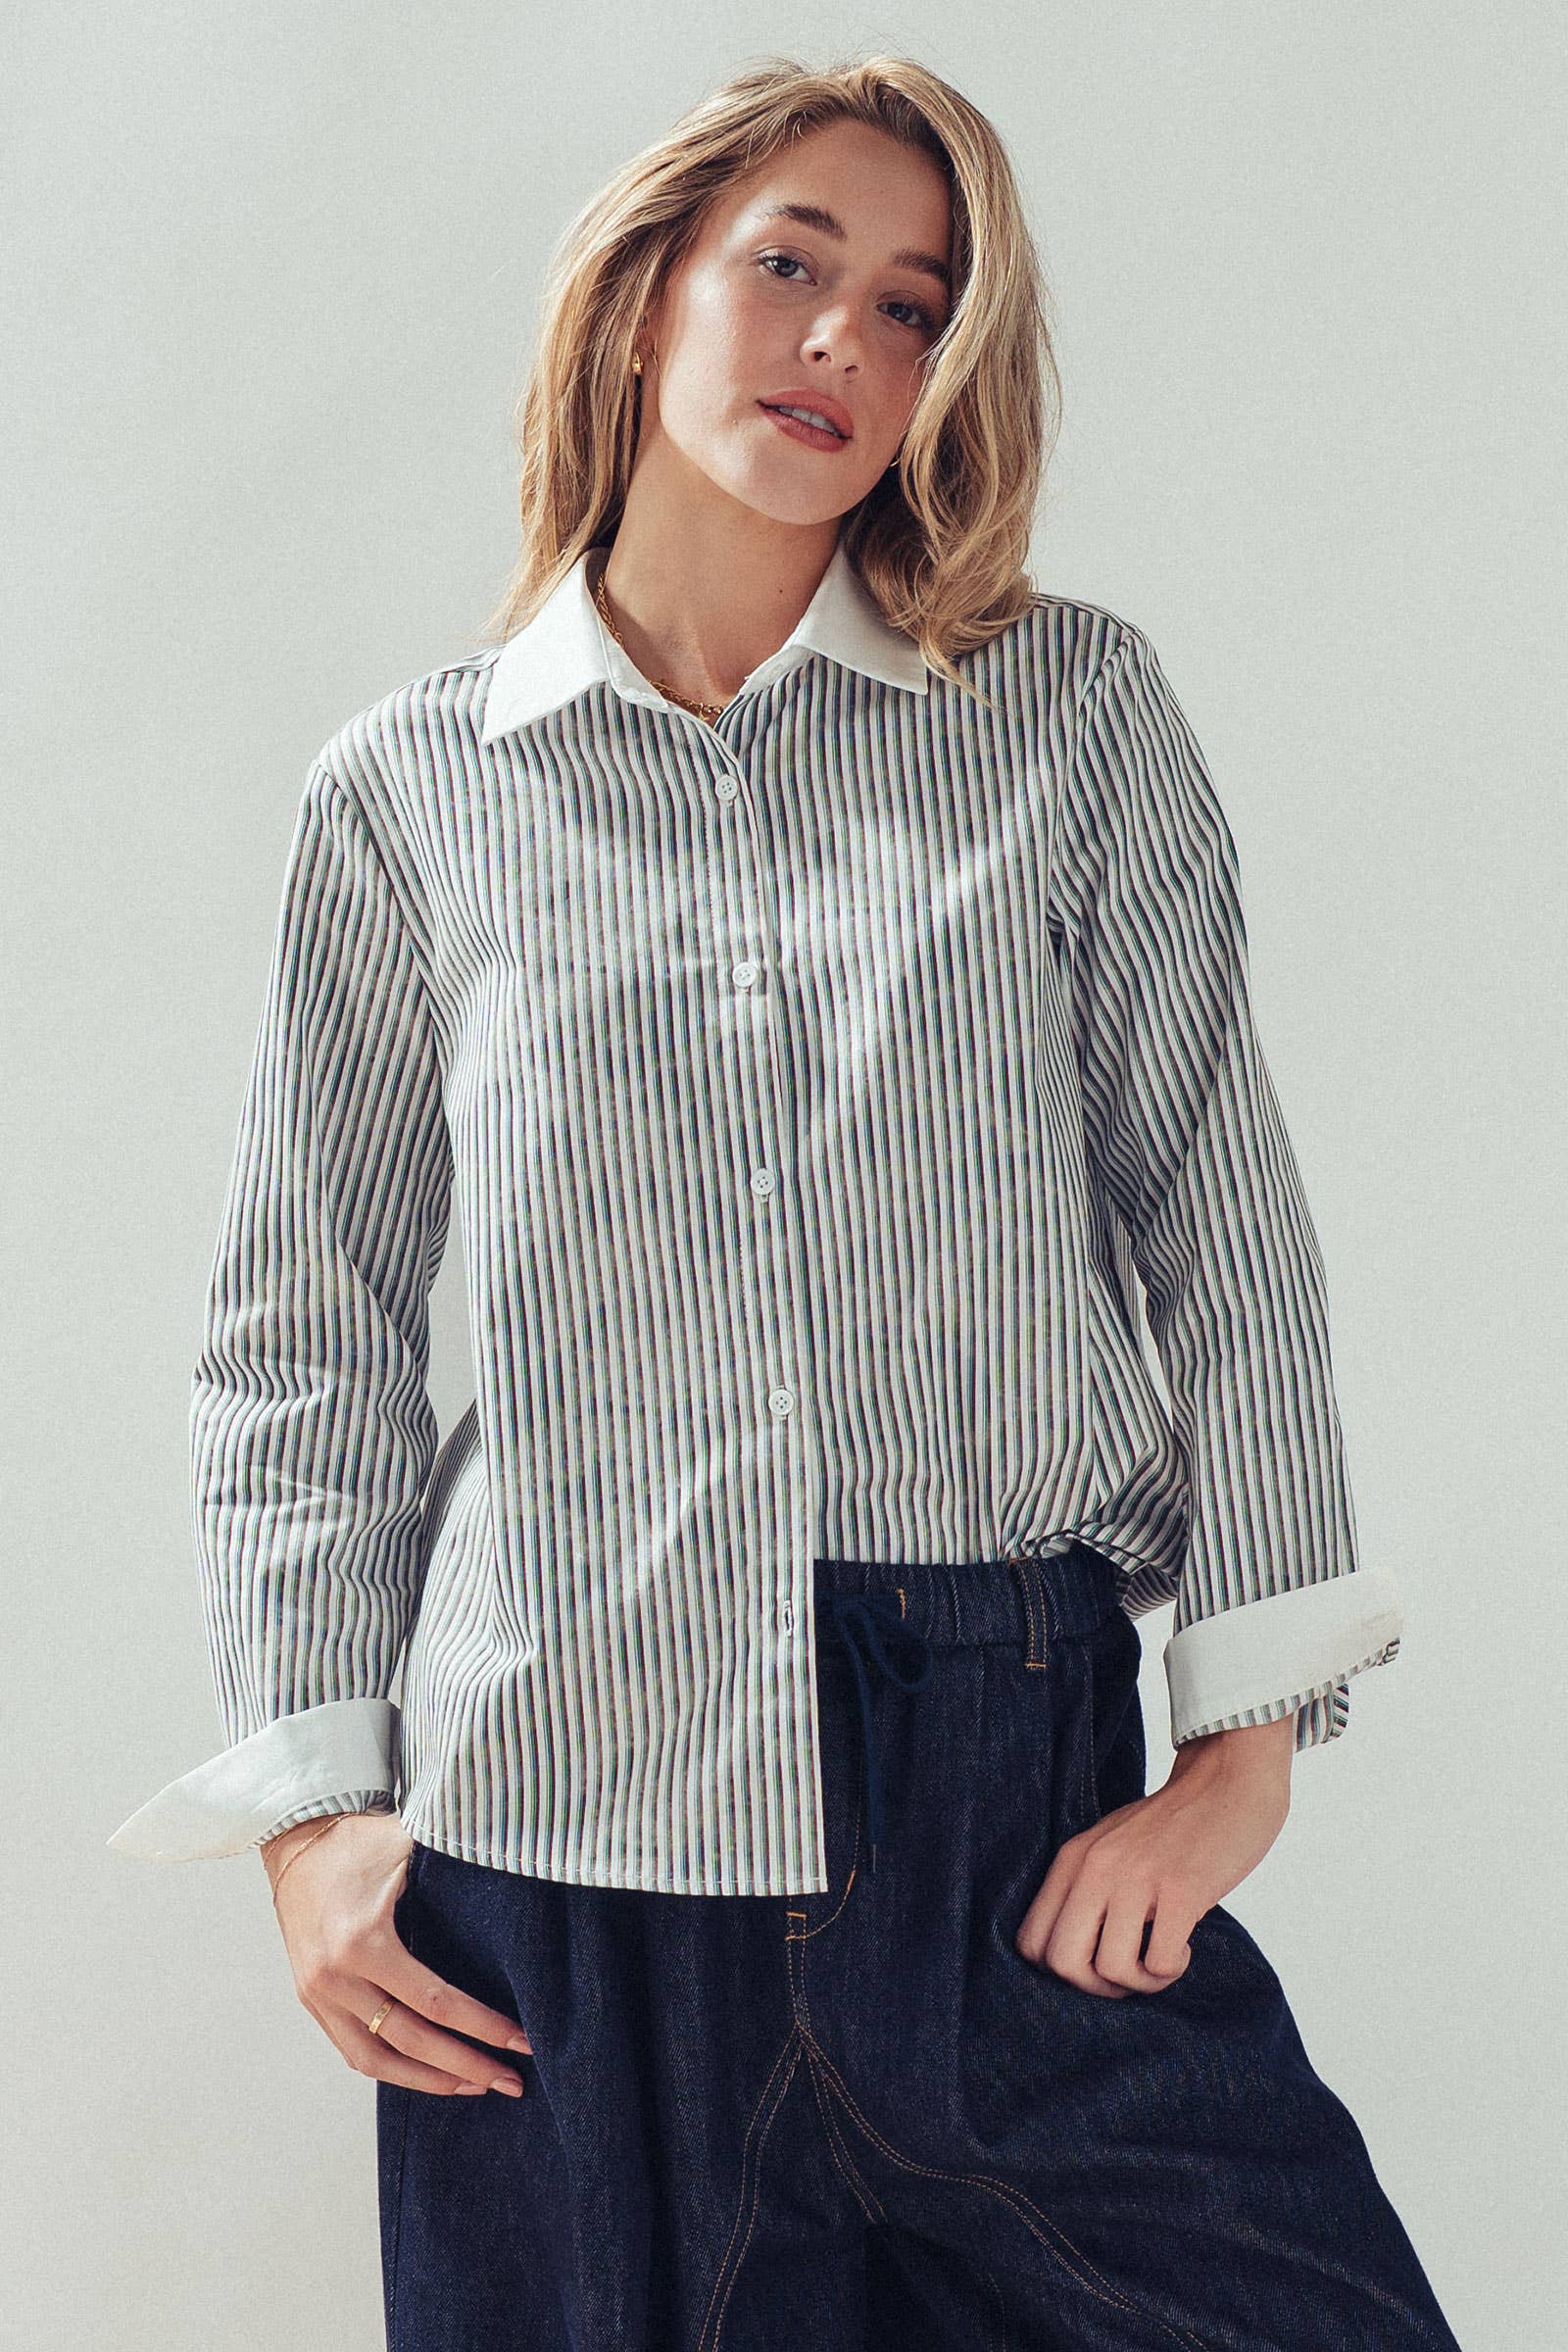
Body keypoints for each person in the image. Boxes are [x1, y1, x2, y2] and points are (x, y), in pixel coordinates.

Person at [110, 51, 1463, 2352]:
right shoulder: (409, 795)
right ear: (647, 295)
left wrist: (1238, 1758)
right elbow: (300, 1335)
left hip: (1002, 1826)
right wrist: (317, 1816)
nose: (843, 337)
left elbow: (1218, 1224)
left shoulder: (1065, 719)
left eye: (913, 307)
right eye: (788, 264)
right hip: (556, 1874)